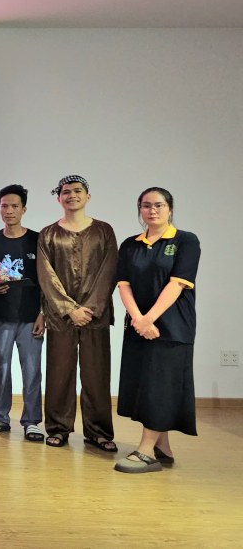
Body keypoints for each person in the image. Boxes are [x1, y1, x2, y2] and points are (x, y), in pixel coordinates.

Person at [114, 187, 200, 474]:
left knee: (159, 387)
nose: (153, 210)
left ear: (170, 209)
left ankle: (146, 450)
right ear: (140, 210)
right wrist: (139, 319)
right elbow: (123, 284)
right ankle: (163, 446)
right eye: (146, 205)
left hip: (173, 328)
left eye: (159, 205)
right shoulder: (130, 244)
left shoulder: (186, 241)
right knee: (143, 384)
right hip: (139, 327)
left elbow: (177, 284)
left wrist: (150, 319)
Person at [37, 175, 118, 451]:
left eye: (77, 191)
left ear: (88, 196)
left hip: (96, 317)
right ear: (59, 198)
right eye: (66, 192)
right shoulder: (48, 234)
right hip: (61, 317)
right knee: (59, 373)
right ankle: (58, 428)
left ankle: (99, 432)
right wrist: (70, 309)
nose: (72, 195)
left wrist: (91, 309)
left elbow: (109, 271)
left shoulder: (104, 231)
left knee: (97, 374)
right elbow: (46, 276)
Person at [0, 185, 46, 442]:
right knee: (1, 369)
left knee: (32, 370)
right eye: (4, 205)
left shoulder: (37, 239)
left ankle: (32, 421)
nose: (9, 211)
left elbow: (47, 279)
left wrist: (43, 314)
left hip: (30, 316)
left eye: (15, 206)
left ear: (24, 209)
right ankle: (0, 418)